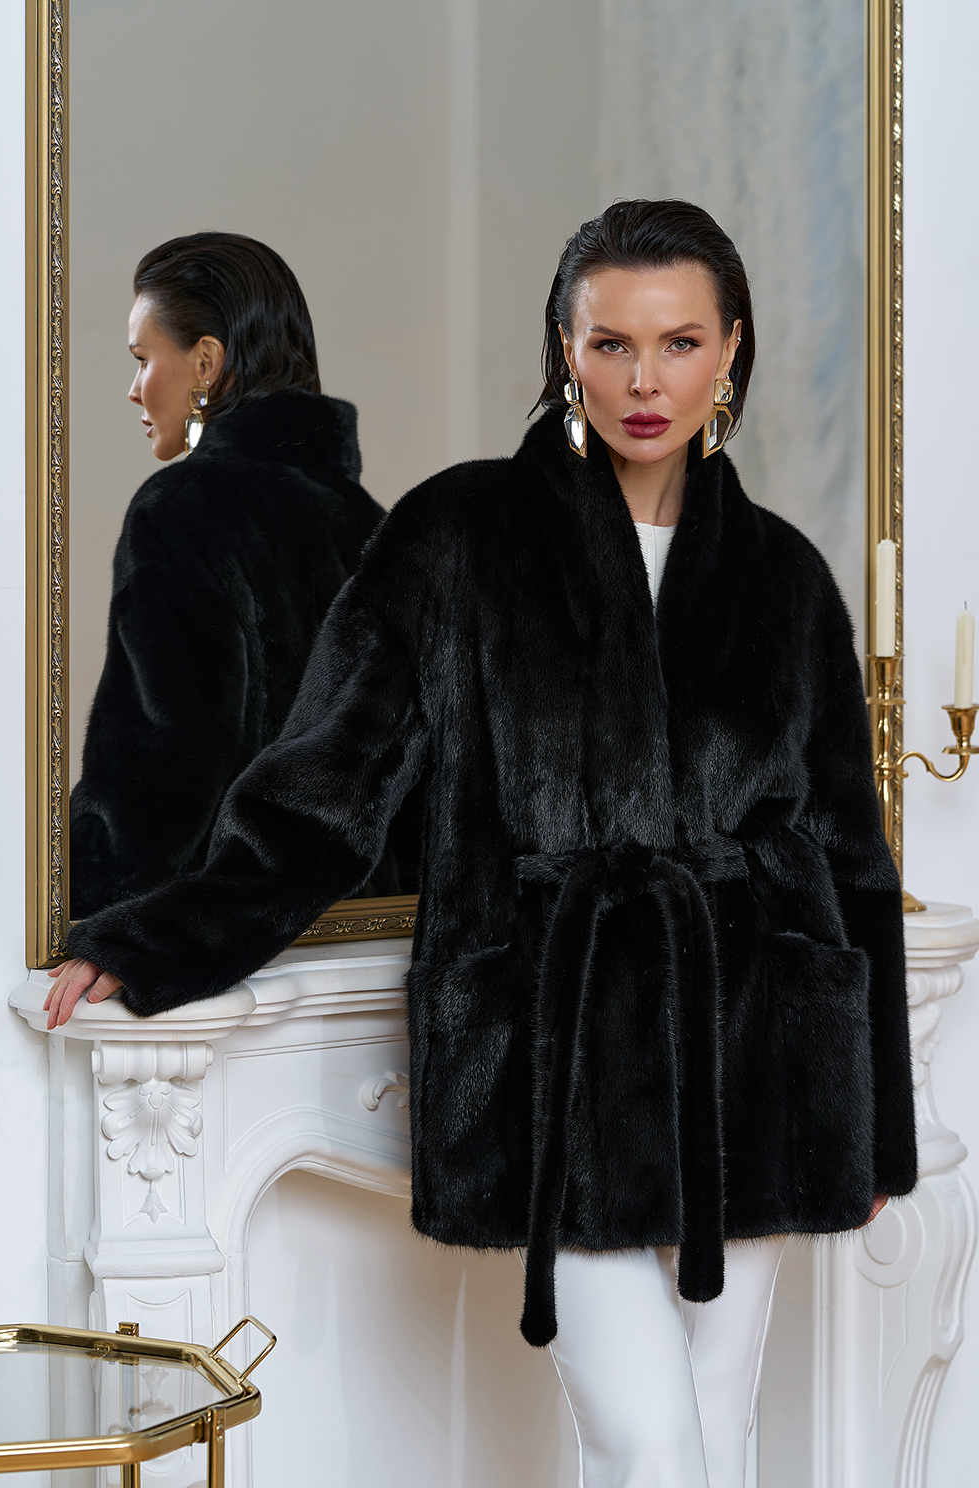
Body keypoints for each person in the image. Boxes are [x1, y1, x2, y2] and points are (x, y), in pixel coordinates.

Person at [49, 201, 916, 1488]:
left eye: (678, 342)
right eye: (610, 343)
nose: (643, 381)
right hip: (551, 1050)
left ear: (729, 348)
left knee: (714, 1435)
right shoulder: (456, 537)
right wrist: (159, 938)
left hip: (756, 1053)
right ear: (564, 348)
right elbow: (326, 785)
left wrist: (878, 1118)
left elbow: (847, 855)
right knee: (651, 1443)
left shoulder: (782, 577)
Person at [69, 231, 389, 916]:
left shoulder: (182, 508)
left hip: (219, 946)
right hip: (369, 935)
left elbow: (161, 773)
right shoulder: (374, 524)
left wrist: (80, 909)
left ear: (207, 362)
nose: (134, 390)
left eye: (142, 359)